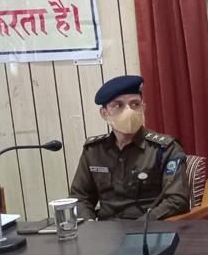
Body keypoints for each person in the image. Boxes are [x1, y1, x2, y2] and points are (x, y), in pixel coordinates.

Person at [69, 75, 190, 221]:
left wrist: (141, 226)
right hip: (104, 231)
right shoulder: (94, 151)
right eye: (118, 106)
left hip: (148, 228)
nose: (129, 111)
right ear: (104, 113)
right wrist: (89, 225)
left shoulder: (164, 149)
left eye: (135, 104)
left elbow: (177, 200)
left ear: (143, 108)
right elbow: (80, 198)